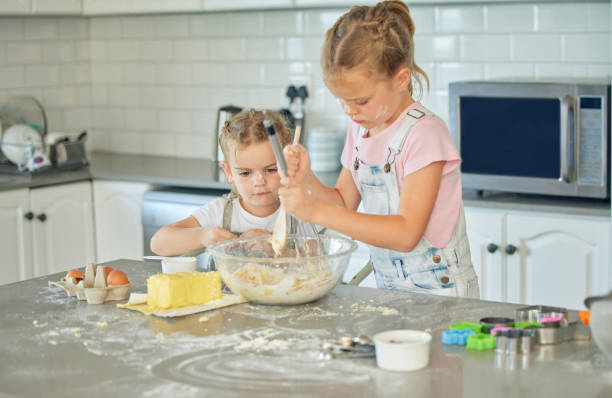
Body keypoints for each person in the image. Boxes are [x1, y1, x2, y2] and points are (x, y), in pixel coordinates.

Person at [280, 1, 479, 298]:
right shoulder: (361, 128)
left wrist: (315, 211)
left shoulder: (425, 134)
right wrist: (306, 178)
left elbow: (405, 234)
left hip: (442, 295)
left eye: (360, 100)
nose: (349, 111)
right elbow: (343, 203)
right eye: (341, 100)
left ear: (401, 79)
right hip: (392, 292)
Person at [150, 109, 309, 259]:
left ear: (288, 163)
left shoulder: (299, 212)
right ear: (229, 172)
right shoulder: (220, 212)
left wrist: (279, 252)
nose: (259, 181)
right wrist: (204, 236)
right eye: (246, 173)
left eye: (271, 169)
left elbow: (318, 261)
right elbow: (158, 243)